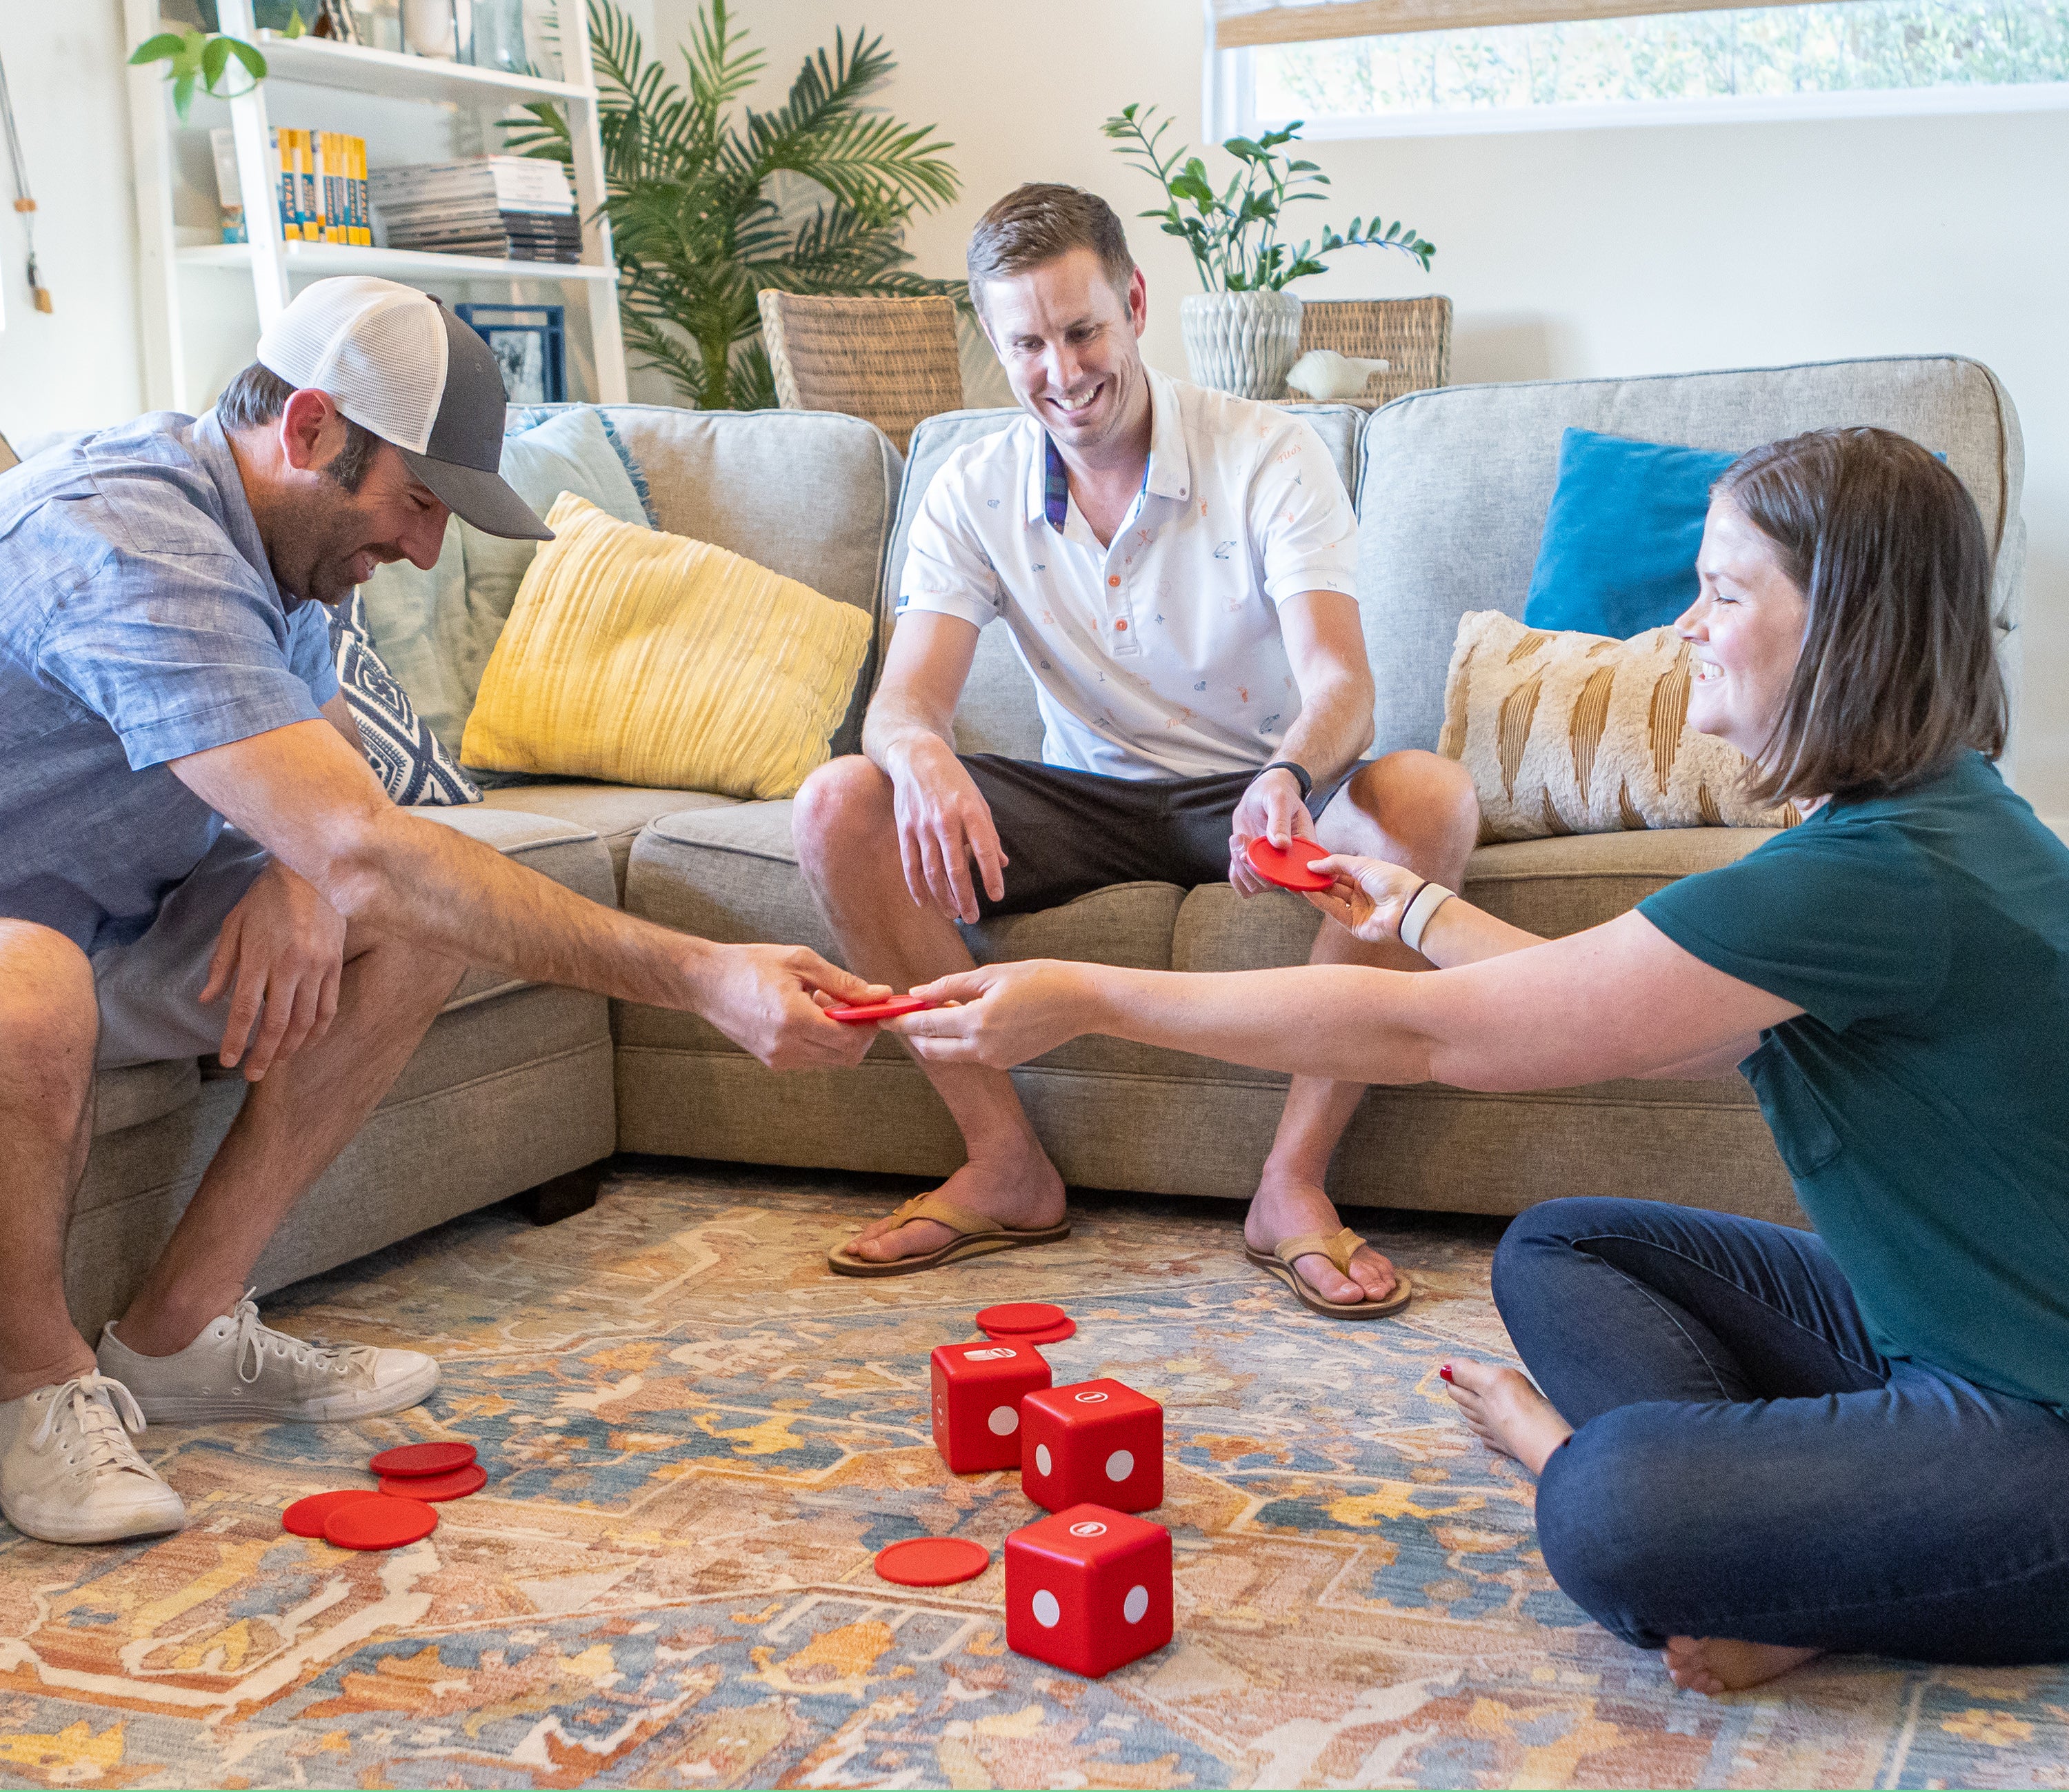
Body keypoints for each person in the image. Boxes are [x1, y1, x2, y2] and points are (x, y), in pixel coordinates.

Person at [899, 426, 2069, 1694]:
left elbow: (1439, 1034)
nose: (1685, 625)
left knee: (1602, 1511)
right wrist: (1405, 911)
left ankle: (1776, 1553)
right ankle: (1800, 1540)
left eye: (1725, 593)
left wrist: (1088, 997)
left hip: (2035, 1419)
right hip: (1942, 1334)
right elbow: (1621, 1018)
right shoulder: (1930, 822)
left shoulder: (1865, 879)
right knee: (1568, 1248)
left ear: (1844, 627)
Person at [0, 276, 883, 1547]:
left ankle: (178, 1341)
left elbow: (331, 747)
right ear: (308, 429)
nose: (425, 549)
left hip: (109, 920)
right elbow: (369, 835)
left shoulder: (280, 551)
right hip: (23, 940)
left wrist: (295, 875)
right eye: (416, 502)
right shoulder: (127, 536)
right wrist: (705, 976)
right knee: (33, 982)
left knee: (410, 920)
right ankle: (38, 1396)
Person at [792, 183, 1479, 1312]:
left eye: (1082, 331)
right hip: (1084, 796)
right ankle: (1006, 1166)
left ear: (1136, 304)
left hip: (1255, 794)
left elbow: (1344, 686)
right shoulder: (971, 489)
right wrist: (922, 757)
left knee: (1429, 799)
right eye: (1027, 344)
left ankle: (1289, 1185)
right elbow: (904, 698)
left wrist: (1286, 777)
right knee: (838, 803)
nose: (1060, 373)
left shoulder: (1267, 452)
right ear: (995, 343)